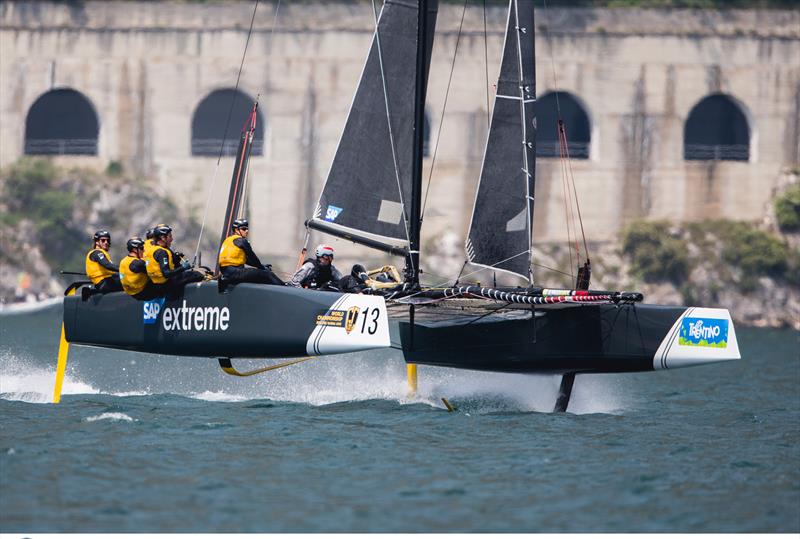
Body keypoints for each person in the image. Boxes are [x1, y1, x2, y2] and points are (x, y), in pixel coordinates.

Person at [218, 218, 284, 286]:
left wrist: (262, 266)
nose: (246, 231)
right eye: (243, 229)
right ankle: (285, 286)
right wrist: (263, 268)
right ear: (236, 230)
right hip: (235, 273)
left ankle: (226, 281)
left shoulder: (228, 240)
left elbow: (245, 260)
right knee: (268, 274)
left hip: (227, 273)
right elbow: (253, 257)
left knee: (259, 276)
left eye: (247, 229)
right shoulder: (241, 241)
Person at [145, 224, 204, 293]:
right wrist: (183, 267)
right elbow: (166, 273)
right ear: (163, 237)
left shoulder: (153, 249)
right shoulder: (162, 252)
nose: (172, 239)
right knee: (197, 275)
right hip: (166, 285)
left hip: (157, 284)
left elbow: (159, 264)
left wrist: (176, 258)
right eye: (170, 236)